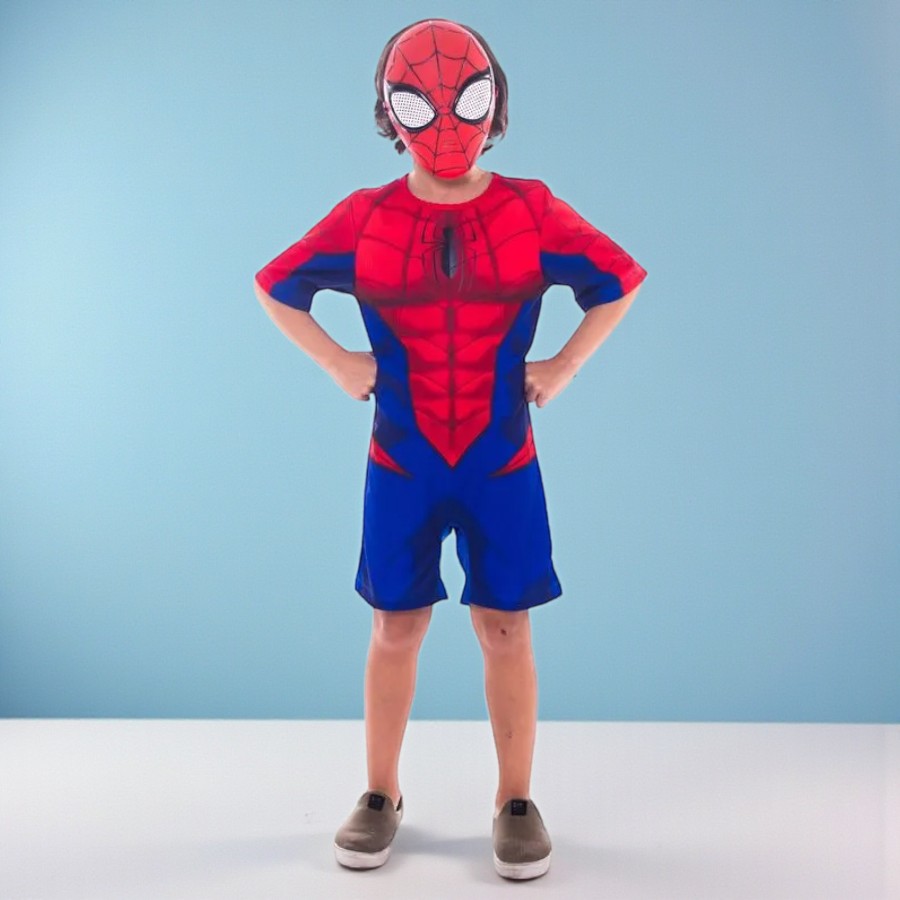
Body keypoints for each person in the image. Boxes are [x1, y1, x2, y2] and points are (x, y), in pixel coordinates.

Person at [253, 17, 647, 881]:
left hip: (503, 459)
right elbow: (275, 285)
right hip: (402, 459)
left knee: (506, 628)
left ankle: (516, 801)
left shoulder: (529, 209)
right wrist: (337, 361)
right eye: (418, 103)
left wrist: (566, 365)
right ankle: (380, 793)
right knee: (395, 627)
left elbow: (619, 279)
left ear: (495, 106)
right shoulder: (365, 218)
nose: (443, 122)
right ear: (390, 114)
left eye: (465, 100)